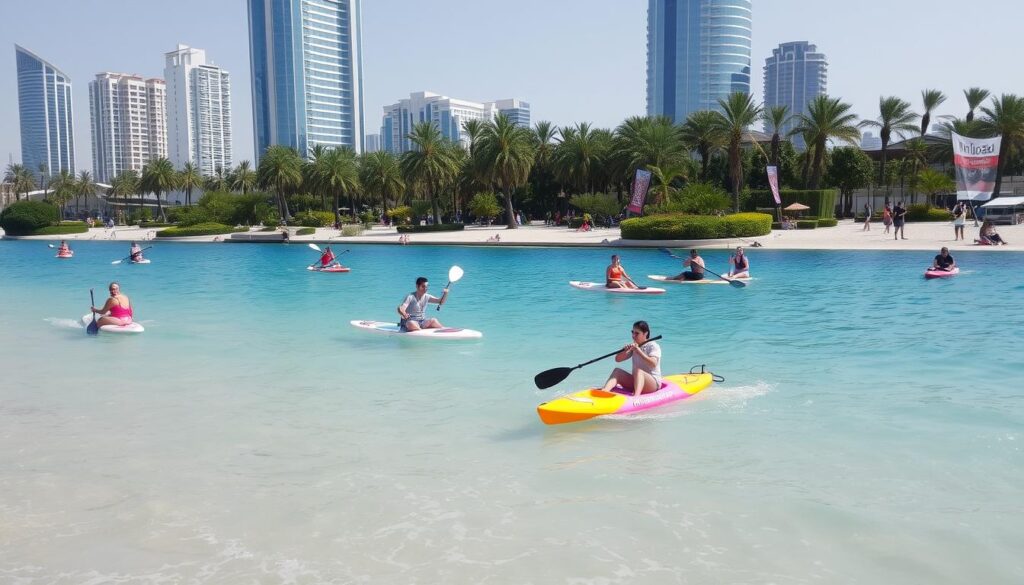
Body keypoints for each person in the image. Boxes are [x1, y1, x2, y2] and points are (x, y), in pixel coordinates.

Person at [601, 321, 663, 397]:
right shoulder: (634, 346)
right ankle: (605, 391)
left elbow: (653, 364)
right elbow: (617, 359)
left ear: (645, 333)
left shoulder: (653, 346)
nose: (633, 336)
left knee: (639, 371)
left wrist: (639, 351)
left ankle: (636, 397)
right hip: (637, 381)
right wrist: (624, 351)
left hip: (653, 384)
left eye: (637, 333)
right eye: (632, 332)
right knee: (617, 371)